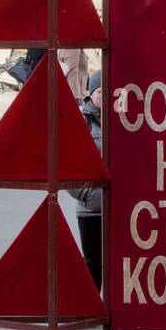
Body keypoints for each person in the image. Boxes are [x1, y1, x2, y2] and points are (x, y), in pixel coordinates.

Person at [71, 70, 103, 291]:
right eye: (100, 91)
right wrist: (88, 195)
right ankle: (92, 311)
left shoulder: (128, 120)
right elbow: (67, 164)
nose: (105, 95)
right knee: (92, 262)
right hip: (90, 208)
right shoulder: (81, 121)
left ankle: (114, 312)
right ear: (91, 94)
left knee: (119, 263)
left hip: (121, 208)